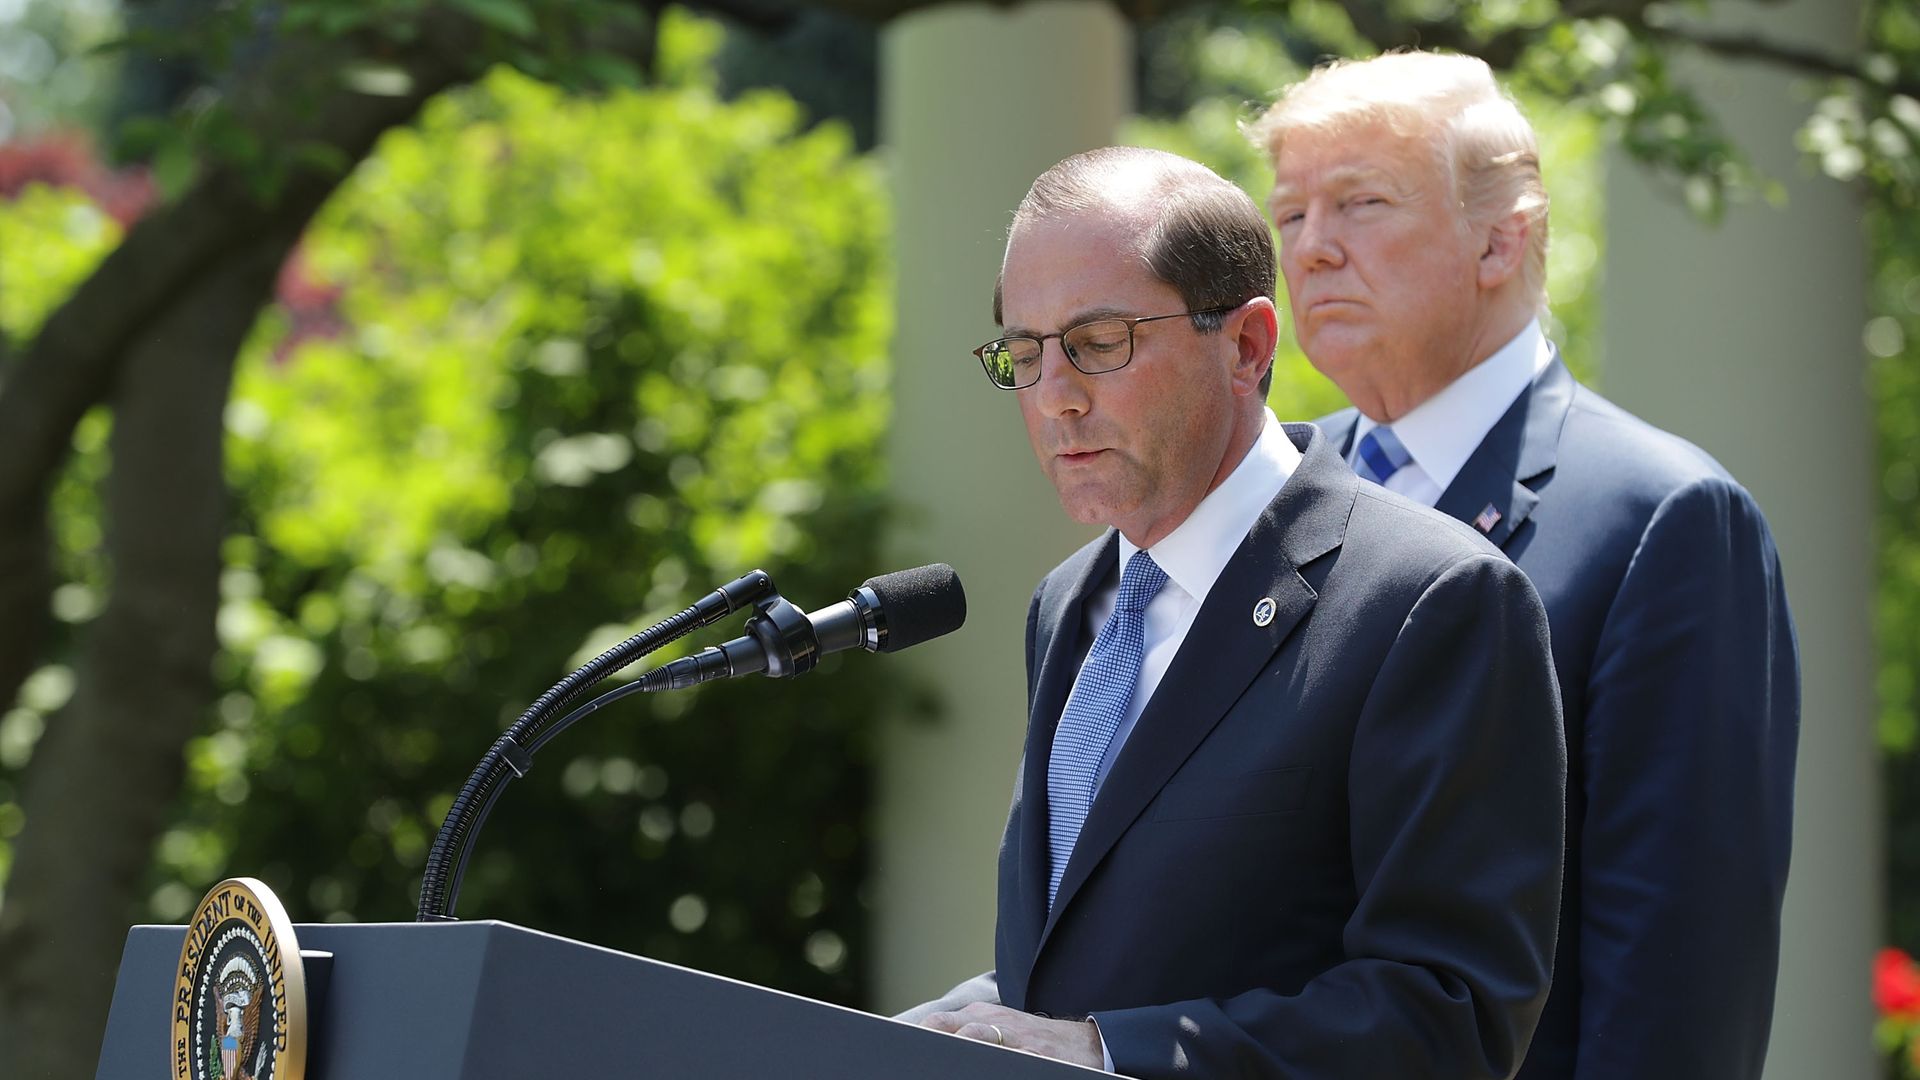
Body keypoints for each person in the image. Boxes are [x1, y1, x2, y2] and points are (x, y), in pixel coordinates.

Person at [903, 145, 1566, 1078]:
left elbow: (1448, 1013)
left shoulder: (1431, 599)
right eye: (1023, 354)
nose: (1054, 397)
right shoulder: (1069, 602)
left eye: (1098, 344)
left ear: (1248, 346)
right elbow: (1097, 957)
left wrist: (1106, 1053)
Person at [1249, 52, 1800, 1079]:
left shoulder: (1662, 518)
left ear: (1501, 239)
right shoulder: (1264, 502)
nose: (1312, 249)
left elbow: (1679, 981)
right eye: (1290, 217)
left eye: (1360, 203)